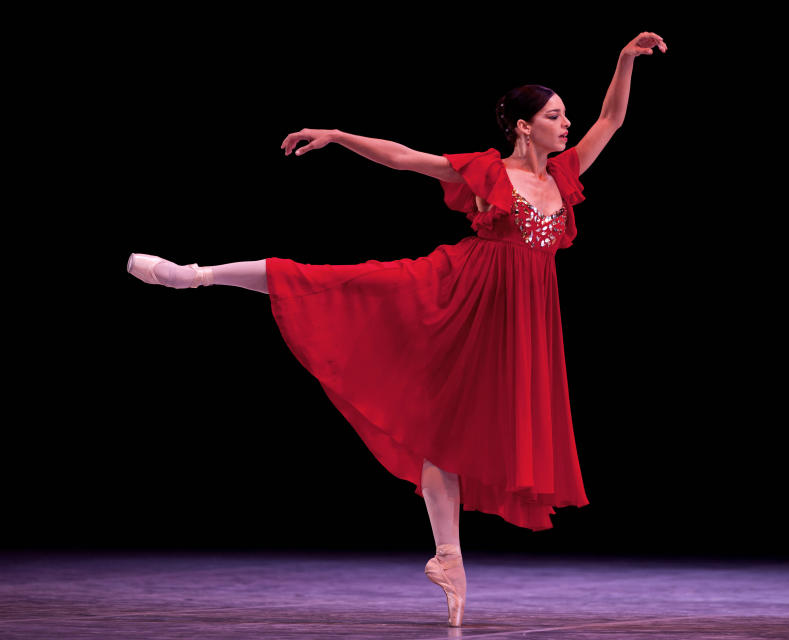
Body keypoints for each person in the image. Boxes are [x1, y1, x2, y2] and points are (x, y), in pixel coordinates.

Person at [127, 31, 667, 628]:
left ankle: (448, 558)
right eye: (555, 115)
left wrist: (623, 60)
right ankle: (196, 275)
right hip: (457, 291)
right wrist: (337, 135)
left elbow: (613, 117)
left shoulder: (565, 175)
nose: (566, 124)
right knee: (339, 283)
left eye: (566, 115)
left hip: (519, 321)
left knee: (449, 432)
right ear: (522, 125)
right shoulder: (487, 172)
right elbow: (402, 157)